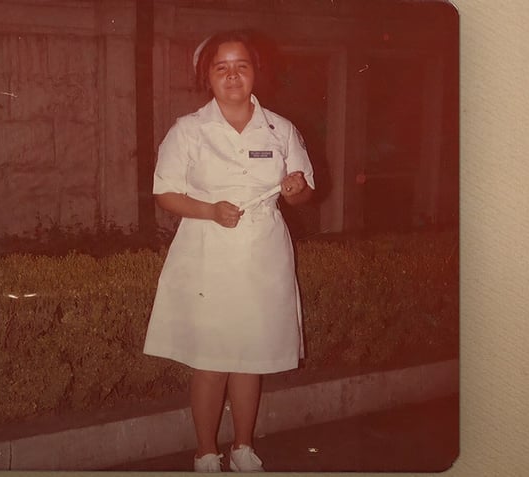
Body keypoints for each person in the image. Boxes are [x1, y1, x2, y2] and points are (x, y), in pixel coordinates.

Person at [143, 30, 315, 472]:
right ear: (208, 77)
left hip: (264, 251)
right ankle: (205, 451)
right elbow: (164, 193)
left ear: (256, 72)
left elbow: (303, 191)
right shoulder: (189, 130)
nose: (233, 75)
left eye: (241, 66)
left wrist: (295, 189)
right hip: (208, 249)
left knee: (249, 356)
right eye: (222, 67)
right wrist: (209, 209)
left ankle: (242, 447)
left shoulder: (280, 128)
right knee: (212, 357)